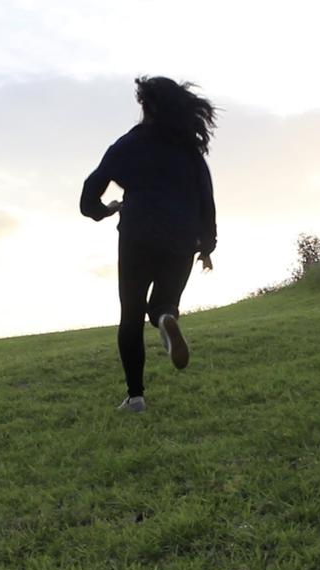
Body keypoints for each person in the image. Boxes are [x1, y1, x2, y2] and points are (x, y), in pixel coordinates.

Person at [80, 76, 218, 413]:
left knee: (130, 315)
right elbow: (206, 198)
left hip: (138, 233)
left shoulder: (128, 145)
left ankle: (136, 396)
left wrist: (105, 210)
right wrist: (207, 244)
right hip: (183, 236)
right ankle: (166, 319)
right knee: (163, 304)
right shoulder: (189, 151)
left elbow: (89, 194)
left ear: (146, 106)